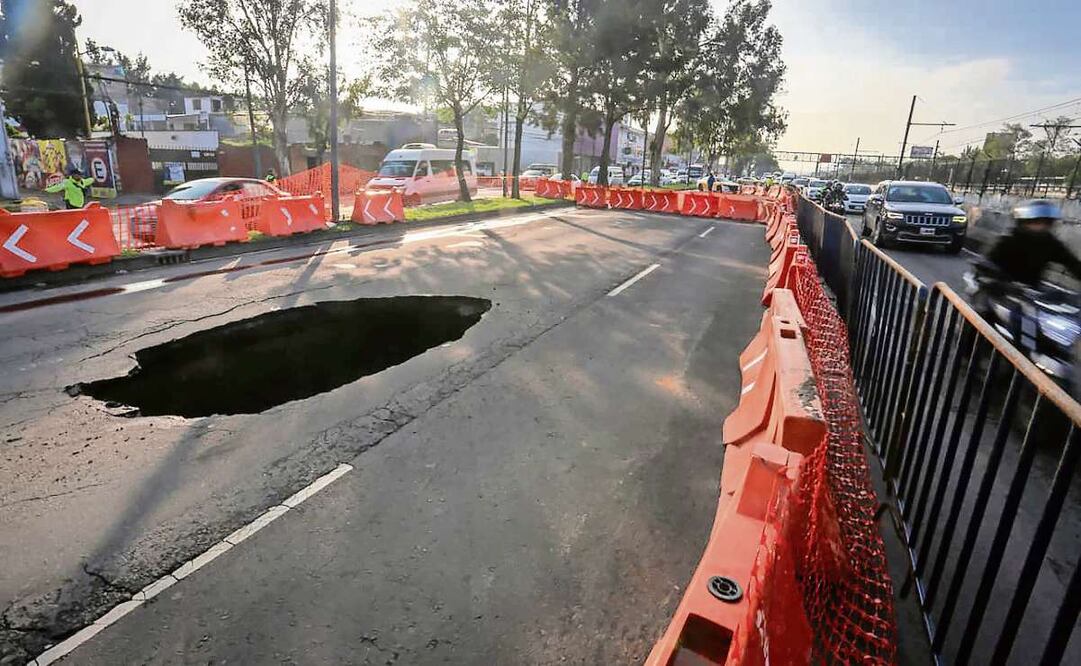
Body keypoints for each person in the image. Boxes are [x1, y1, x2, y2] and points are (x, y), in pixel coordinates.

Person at [987, 199, 1081, 286]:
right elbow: (989, 267)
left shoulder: (1050, 244)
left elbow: (1073, 264)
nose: (1042, 226)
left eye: (1046, 223)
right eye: (1037, 222)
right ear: (1025, 222)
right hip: (1001, 292)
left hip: (1029, 294)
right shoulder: (1009, 242)